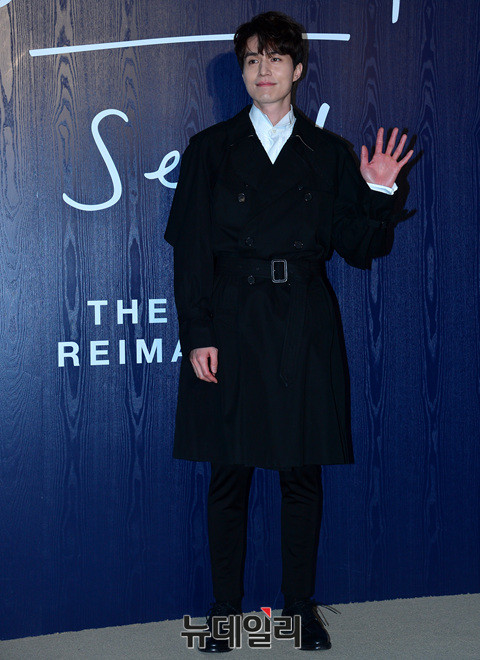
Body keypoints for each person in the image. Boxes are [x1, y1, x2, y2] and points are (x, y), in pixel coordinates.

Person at [164, 11, 413, 653]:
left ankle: (300, 610)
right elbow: (191, 253)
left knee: (301, 474)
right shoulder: (209, 149)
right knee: (229, 474)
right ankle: (225, 612)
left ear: (298, 69)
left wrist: (379, 192)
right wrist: (199, 333)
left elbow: (359, 247)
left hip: (303, 320)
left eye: (275, 58)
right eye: (252, 59)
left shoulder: (327, 154)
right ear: (243, 72)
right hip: (232, 321)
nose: (263, 70)